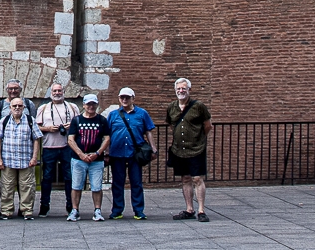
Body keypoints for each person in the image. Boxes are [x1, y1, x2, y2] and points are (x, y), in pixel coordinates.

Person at [106, 86, 157, 220]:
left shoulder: (142, 113)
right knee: (117, 183)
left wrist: (153, 148)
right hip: (117, 152)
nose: (124, 100)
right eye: (122, 97)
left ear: (133, 98)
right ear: (119, 99)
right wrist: (106, 152)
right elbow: (108, 135)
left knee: (136, 182)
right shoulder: (113, 115)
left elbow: (148, 131)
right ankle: (117, 210)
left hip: (135, 152)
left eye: (127, 97)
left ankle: (138, 210)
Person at [166, 77, 212, 223]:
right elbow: (172, 125)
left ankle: (201, 210)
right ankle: (189, 209)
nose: (181, 91)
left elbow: (208, 125)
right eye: (179, 88)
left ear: (189, 90)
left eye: (183, 88)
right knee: (185, 178)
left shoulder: (199, 106)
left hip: (196, 148)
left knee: (197, 178)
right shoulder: (172, 107)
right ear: (175, 90)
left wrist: (198, 138)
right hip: (179, 150)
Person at [0, 95, 42, 219]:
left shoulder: (30, 120)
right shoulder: (4, 120)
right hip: (8, 160)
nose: (17, 108)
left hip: (26, 160)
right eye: (14, 106)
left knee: (27, 187)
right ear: (10, 107)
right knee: (6, 186)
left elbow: (36, 139)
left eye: (20, 106)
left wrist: (34, 158)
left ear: (24, 107)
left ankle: (27, 211)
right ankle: (6, 211)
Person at [36, 80, 79, 217]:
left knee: (69, 177)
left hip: (68, 147)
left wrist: (71, 126)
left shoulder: (72, 107)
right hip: (49, 146)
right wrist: (48, 128)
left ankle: (71, 206)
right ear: (51, 93)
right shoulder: (43, 108)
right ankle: (44, 206)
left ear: (64, 92)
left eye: (59, 90)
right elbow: (36, 128)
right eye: (54, 91)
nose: (57, 93)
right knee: (47, 177)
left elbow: (79, 124)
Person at [65, 93, 109, 222]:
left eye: (93, 104)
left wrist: (97, 153)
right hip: (78, 159)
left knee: (96, 186)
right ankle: (75, 210)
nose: (91, 106)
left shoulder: (102, 120)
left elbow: (107, 138)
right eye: (88, 104)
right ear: (84, 105)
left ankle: (97, 210)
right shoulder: (77, 120)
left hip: (97, 160)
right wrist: (81, 154)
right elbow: (71, 139)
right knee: (76, 186)